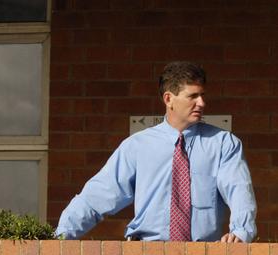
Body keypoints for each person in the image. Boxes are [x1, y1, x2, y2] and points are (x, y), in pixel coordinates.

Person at [55, 61, 256, 243]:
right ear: (169, 99)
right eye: (193, 96)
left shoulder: (224, 144)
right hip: (147, 254)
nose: (202, 103)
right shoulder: (137, 146)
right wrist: (60, 237)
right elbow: (97, 196)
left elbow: (239, 190)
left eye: (203, 95)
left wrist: (241, 231)